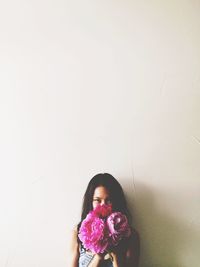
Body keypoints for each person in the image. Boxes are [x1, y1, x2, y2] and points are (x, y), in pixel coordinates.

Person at [69, 173, 140, 267]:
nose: (103, 205)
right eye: (97, 200)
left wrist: (115, 254)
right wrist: (98, 256)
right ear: (90, 202)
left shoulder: (131, 236)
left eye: (108, 200)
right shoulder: (79, 232)